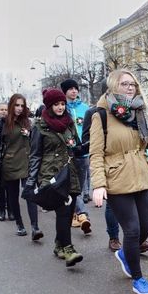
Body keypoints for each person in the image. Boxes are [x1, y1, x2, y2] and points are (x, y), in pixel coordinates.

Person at [90, 68, 148, 294]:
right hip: (117, 179)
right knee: (132, 231)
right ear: (113, 86)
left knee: (146, 228)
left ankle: (125, 255)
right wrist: (99, 184)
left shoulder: (139, 110)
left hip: (141, 176)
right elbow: (96, 153)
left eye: (132, 84)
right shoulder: (101, 115)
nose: (130, 87)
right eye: (124, 84)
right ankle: (138, 278)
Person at [26, 89, 83, 266]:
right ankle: (68, 249)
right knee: (64, 212)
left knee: (68, 211)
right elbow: (35, 155)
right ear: (49, 106)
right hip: (52, 174)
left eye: (62, 104)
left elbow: (76, 146)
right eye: (56, 104)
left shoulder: (69, 123)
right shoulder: (39, 125)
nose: (60, 107)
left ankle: (59, 245)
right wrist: (31, 181)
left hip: (70, 172)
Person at [0, 94, 42, 239]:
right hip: (9, 164)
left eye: (22, 106)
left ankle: (35, 228)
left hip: (27, 163)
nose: (19, 108)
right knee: (13, 196)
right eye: (16, 105)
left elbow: (36, 143)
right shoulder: (1, 123)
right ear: (11, 106)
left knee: (30, 195)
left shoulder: (29, 122)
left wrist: (29, 134)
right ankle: (20, 225)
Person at [61, 79, 92, 236]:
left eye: (76, 88)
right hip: (67, 153)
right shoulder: (61, 108)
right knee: (71, 185)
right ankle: (82, 214)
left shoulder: (85, 108)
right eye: (70, 89)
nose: (74, 91)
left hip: (83, 151)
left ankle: (75, 213)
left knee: (79, 185)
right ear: (65, 91)